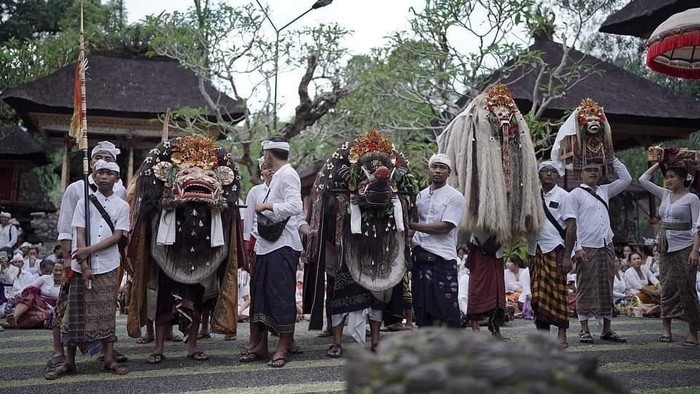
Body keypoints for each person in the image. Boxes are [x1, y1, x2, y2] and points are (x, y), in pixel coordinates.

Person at [48, 141, 128, 373]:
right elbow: (67, 228)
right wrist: (69, 260)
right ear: (91, 163)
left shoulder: (120, 194)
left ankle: (106, 352)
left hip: (107, 260)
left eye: (108, 160)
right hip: (75, 257)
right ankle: (59, 353)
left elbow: (119, 233)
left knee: (104, 307)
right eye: (98, 159)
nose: (102, 165)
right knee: (70, 306)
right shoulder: (76, 190)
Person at [241, 137, 303, 368]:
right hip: (266, 246)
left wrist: (268, 206)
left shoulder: (288, 174)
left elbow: (296, 206)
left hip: (283, 245)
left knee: (280, 297)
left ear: (268, 155)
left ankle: (283, 348)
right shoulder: (277, 177)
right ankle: (261, 345)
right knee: (262, 297)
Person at [563, 158, 631, 344]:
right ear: (581, 173)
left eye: (595, 170)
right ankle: (584, 329)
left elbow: (626, 179)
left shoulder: (604, 190)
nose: (593, 173)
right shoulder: (575, 195)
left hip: (606, 244)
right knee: (585, 287)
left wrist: (612, 159)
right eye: (589, 170)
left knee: (606, 286)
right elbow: (570, 224)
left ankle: (607, 330)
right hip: (586, 246)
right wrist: (576, 248)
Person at [640, 163, 700, 345]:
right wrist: (661, 162)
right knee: (667, 286)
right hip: (665, 245)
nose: (669, 180)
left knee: (687, 287)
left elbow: (697, 226)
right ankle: (667, 329)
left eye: (673, 176)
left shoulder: (692, 198)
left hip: (686, 246)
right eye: (667, 177)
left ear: (683, 178)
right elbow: (643, 180)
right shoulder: (665, 194)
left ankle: (692, 331)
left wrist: (695, 250)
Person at [410, 153, 465, 328]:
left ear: (449, 172)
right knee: (422, 305)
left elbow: (445, 227)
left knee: (443, 306)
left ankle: (445, 347)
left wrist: (413, 226)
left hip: (442, 257)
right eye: (435, 167)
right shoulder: (420, 196)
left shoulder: (455, 197)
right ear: (429, 169)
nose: (438, 171)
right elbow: (411, 227)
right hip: (420, 257)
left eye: (442, 168)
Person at [527, 160, 570, 346]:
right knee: (537, 295)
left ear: (558, 175)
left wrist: (569, 255)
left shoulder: (564, 196)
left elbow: (572, 227)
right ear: (539, 174)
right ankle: (543, 337)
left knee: (558, 293)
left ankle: (562, 334)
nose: (549, 174)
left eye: (553, 171)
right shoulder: (531, 196)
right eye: (545, 171)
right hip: (534, 248)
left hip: (555, 248)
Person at [5, 261, 63, 328]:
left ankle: (12, 323)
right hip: (35, 303)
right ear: (53, 270)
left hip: (50, 309)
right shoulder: (45, 278)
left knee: (38, 316)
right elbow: (29, 286)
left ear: (64, 271)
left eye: (61, 270)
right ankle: (14, 317)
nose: (58, 273)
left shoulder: (67, 283)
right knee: (32, 290)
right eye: (56, 270)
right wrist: (18, 294)